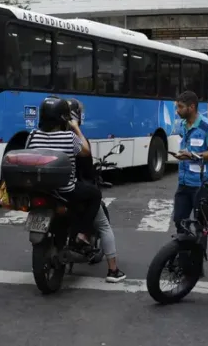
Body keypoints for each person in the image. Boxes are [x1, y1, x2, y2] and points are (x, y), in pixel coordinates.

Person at [25, 96, 101, 252]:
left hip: (39, 189)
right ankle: (82, 234)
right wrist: (76, 128)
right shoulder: (69, 137)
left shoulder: (32, 135)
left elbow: (28, 155)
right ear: (63, 118)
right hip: (65, 191)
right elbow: (86, 152)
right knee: (95, 194)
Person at [67, 98, 125, 283]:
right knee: (104, 225)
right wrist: (76, 129)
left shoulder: (45, 135)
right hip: (75, 190)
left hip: (52, 191)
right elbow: (86, 163)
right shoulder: (72, 139)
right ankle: (113, 270)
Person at [170, 91, 208, 279]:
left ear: (191, 107)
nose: (177, 111)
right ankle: (183, 261)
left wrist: (193, 155)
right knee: (180, 221)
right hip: (184, 183)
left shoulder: (207, 126)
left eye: (180, 107)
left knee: (200, 225)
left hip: (201, 184)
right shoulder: (183, 125)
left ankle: (197, 265)